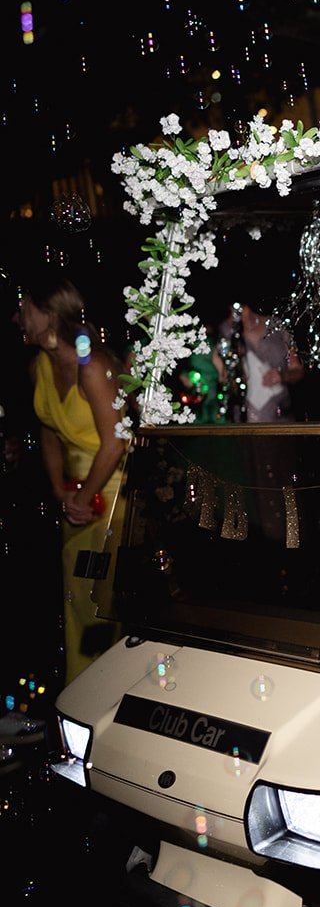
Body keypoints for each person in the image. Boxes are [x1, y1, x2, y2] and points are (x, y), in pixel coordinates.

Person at [16, 269, 130, 683]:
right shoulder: (38, 369)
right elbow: (49, 434)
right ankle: (83, 694)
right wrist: (59, 489)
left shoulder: (93, 366)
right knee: (76, 602)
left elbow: (114, 443)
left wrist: (85, 497)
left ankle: (111, 690)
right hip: (77, 502)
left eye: (25, 309)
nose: (18, 318)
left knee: (102, 603)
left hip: (113, 496)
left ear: (49, 315)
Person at [215, 302, 304, 422]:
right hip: (244, 419)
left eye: (241, 308)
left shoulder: (277, 326)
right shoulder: (227, 331)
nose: (237, 313)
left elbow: (298, 371)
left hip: (280, 416)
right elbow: (223, 377)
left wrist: (282, 375)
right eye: (232, 309)